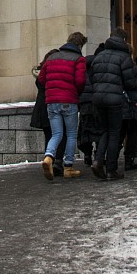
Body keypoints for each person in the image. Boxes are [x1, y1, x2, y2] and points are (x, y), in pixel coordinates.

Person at [83, 28, 137, 180]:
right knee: (114, 133)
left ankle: (98, 161)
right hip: (115, 100)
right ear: (124, 40)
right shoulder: (124, 57)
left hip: (97, 99)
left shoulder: (99, 56)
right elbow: (130, 82)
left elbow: (91, 79)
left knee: (105, 131)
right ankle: (111, 169)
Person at [35, 31, 88, 180]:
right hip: (68, 100)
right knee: (71, 134)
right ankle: (68, 167)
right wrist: (75, 93)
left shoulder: (51, 57)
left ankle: (48, 157)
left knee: (56, 133)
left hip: (51, 101)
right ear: (80, 45)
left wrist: (52, 90)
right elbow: (80, 81)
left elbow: (41, 79)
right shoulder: (79, 59)